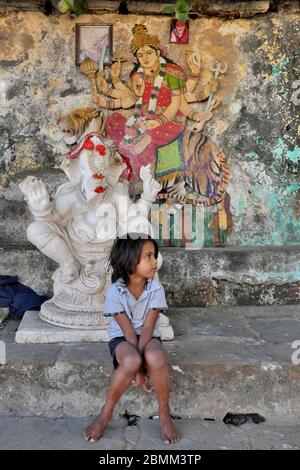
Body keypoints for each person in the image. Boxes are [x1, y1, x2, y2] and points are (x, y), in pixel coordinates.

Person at [84, 234, 181, 445]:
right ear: (129, 261)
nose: (155, 261)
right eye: (148, 257)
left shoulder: (155, 288)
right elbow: (128, 332)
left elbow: (147, 328)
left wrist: (145, 369)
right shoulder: (115, 291)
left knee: (155, 355)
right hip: (122, 337)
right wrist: (138, 371)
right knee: (130, 361)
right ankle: (105, 413)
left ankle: (164, 413)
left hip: (147, 336)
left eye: (154, 256)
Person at [93, 25, 187, 182]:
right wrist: (106, 93)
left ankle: (142, 181)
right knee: (115, 121)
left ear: (157, 53)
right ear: (136, 58)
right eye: (140, 54)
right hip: (144, 118)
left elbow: (178, 103)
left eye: (149, 53)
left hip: (169, 119)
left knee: (140, 145)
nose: (145, 58)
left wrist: (157, 121)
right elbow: (128, 97)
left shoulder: (172, 72)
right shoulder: (138, 75)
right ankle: (122, 171)